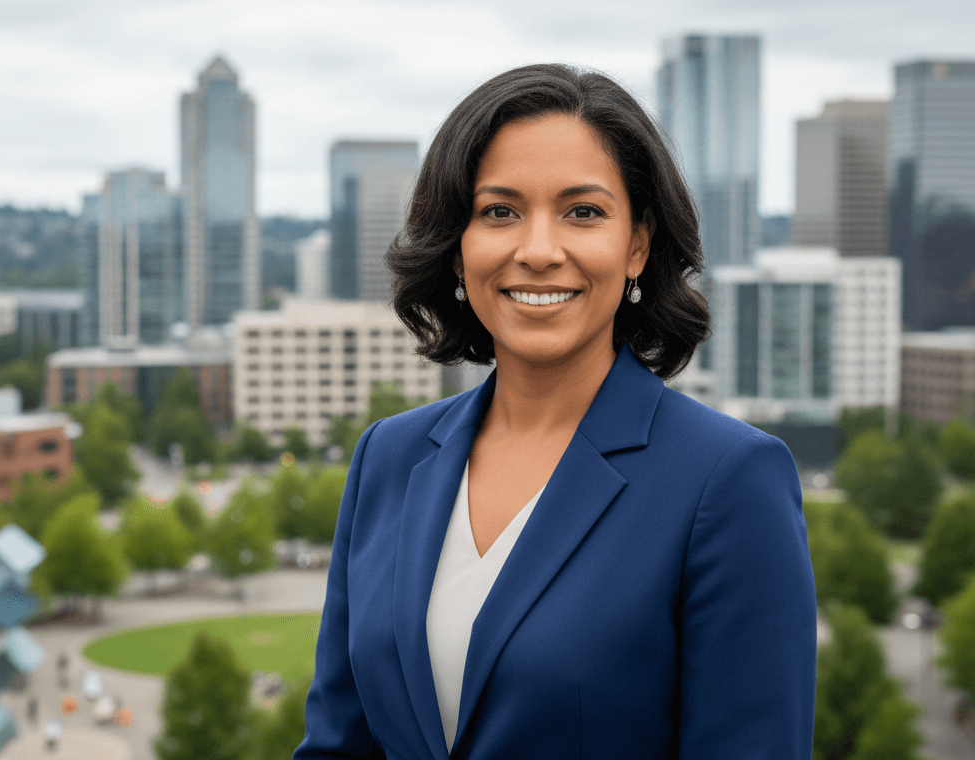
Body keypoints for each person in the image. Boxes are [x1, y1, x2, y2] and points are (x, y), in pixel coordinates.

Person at [295, 64, 816, 760]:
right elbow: (337, 744)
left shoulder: (728, 481)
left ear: (638, 245)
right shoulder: (388, 457)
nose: (538, 251)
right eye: (499, 211)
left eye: (583, 212)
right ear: (458, 248)